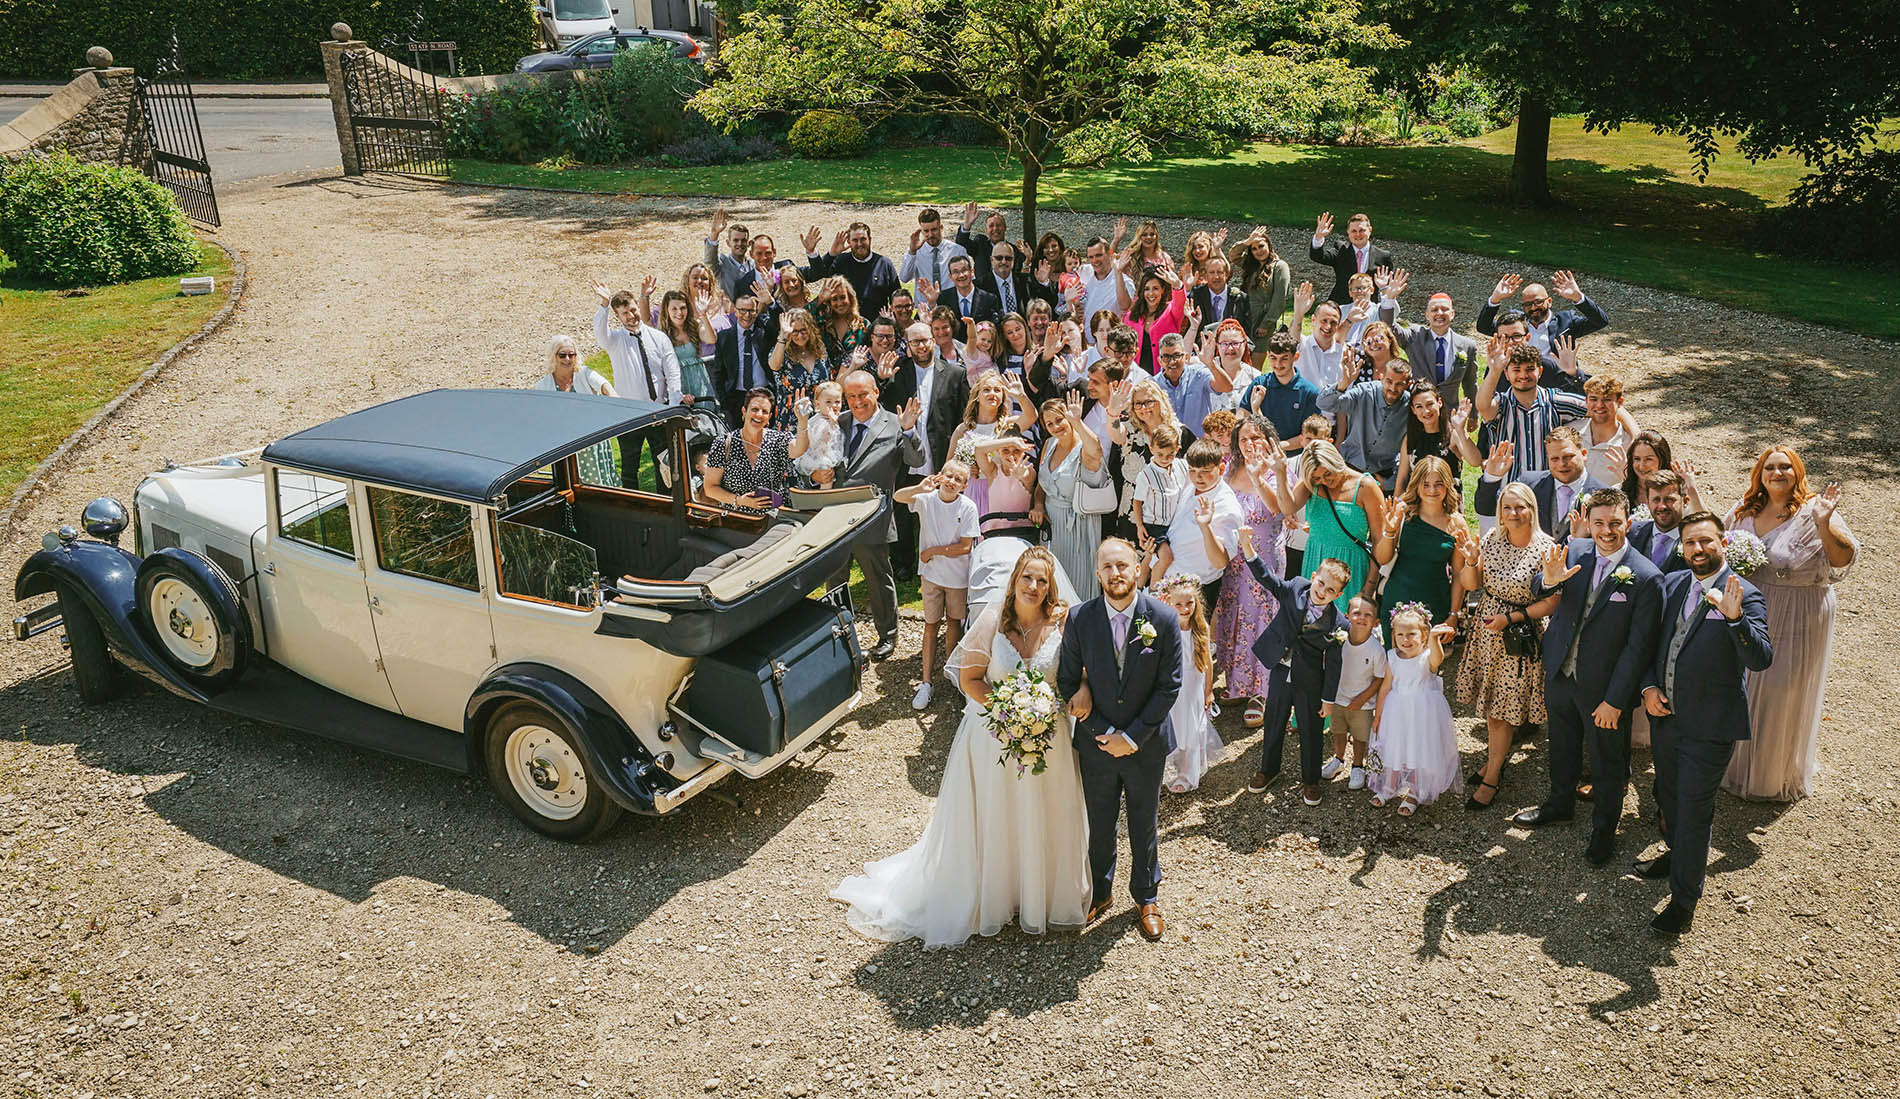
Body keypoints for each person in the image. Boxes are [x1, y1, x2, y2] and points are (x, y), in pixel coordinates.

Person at [833, 548, 1090, 948]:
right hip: (993, 736)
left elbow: (1083, 670)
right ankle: (995, 893)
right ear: (1015, 579)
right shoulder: (993, 619)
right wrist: (1009, 713)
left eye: (1042, 580)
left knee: (1044, 811)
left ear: (1050, 585)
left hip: (1048, 739)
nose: (1034, 586)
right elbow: (970, 679)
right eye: (1027, 577)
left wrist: (1075, 692)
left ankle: (1036, 892)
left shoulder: (1062, 620)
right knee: (997, 813)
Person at [1638, 511, 1774, 936]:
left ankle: (1684, 900)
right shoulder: (1674, 583)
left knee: (1694, 810)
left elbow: (1761, 659)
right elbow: (1652, 644)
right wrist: (1648, 687)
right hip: (1666, 718)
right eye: (1690, 543)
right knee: (1667, 795)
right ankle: (1676, 853)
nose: (1698, 549)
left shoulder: (1745, 594)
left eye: (1706, 541)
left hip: (1711, 726)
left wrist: (1734, 619)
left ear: (1723, 544)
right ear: (1682, 548)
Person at [1514, 488, 1665, 866]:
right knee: (1561, 745)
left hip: (1604, 689)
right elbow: (1540, 586)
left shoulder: (1647, 577)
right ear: (1589, 522)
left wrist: (1615, 700)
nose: (1606, 531)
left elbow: (1639, 648)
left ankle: (1604, 829)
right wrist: (1548, 580)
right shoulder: (1575, 549)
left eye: (1614, 523)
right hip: (1560, 673)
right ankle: (1559, 805)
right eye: (1598, 522)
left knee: (1607, 761)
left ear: (1628, 522)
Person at [1057, 538, 1183, 942]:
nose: (1116, 573)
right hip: (1097, 744)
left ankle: (1146, 896)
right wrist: (1102, 731)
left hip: (1146, 744)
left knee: (1144, 822)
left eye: (1123, 565)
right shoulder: (1080, 618)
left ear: (1138, 569)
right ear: (1098, 573)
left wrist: (1131, 737)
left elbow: (1169, 685)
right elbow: (1067, 681)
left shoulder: (1163, 618)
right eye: (1108, 567)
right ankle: (1101, 891)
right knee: (1100, 822)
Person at [1722, 446, 1858, 802]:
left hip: (1801, 611)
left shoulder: (1815, 509)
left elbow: (1843, 557)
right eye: (1770, 467)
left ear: (1798, 472)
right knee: (1746, 684)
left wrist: (1824, 524)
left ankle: (1770, 775)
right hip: (1753, 609)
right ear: (1760, 474)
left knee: (1781, 689)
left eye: (1785, 467)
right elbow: (1719, 543)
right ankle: (1735, 764)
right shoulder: (1745, 509)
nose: (1777, 473)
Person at [1455, 481, 1561, 810]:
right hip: (1487, 631)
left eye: (1520, 506)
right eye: (1507, 507)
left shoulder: (1545, 548)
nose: (1513, 513)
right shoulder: (1492, 539)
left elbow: (1552, 602)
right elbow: (1472, 585)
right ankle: (1495, 761)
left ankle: (1492, 777)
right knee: (1492, 707)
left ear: (1532, 509)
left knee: (1502, 710)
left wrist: (1510, 618)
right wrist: (1471, 561)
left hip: (1519, 637)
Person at [1236, 525, 1349, 805]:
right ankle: (1268, 769)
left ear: (1337, 595)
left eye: (1331, 590)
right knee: (1274, 720)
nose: (1322, 591)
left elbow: (1334, 664)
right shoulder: (1296, 588)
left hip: (1310, 679)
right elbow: (1267, 579)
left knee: (1311, 729)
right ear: (1314, 577)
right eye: (1321, 583)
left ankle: (1311, 779)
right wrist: (1247, 547)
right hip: (1280, 668)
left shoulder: (1339, 624)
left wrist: (1328, 700)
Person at [832, 371, 924, 662]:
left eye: (863, 394)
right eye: (851, 396)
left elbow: (917, 459)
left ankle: (887, 635)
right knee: (834, 578)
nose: (857, 402)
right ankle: (837, 636)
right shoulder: (838, 421)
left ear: (876, 392)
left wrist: (909, 431)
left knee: (878, 580)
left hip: (872, 517)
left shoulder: (895, 423)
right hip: (834, 516)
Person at [1212, 414, 1291, 730]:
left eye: (1256, 437)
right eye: (1244, 439)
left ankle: (1260, 691)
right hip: (1232, 560)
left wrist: (1259, 478)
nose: (1249, 444)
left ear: (1268, 439)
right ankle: (1237, 683)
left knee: (1259, 620)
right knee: (1233, 617)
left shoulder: (1278, 469)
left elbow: (1279, 509)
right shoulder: (1229, 468)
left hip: (1264, 559)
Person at [894, 463, 980, 710]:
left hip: (957, 578)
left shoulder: (968, 507)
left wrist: (934, 551)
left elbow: (965, 546)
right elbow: (898, 497)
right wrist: (918, 488)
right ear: (940, 476)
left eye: (958, 479)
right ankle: (926, 681)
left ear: (965, 485)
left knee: (953, 623)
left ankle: (951, 673)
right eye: (949, 476)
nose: (952, 481)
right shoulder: (927, 499)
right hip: (931, 575)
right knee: (931, 625)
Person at [1368, 604, 1460, 814]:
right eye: (1400, 634)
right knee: (1395, 747)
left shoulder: (1427, 657)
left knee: (1418, 749)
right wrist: (1378, 715)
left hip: (1422, 712)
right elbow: (1385, 687)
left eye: (1411, 634)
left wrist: (1435, 639)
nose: (1405, 640)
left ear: (1424, 634)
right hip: (1396, 711)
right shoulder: (1392, 656)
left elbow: (1437, 659)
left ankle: (1415, 791)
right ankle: (1389, 786)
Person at [1374, 455, 1471, 638]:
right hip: (1397, 602)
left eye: (1438, 484)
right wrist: (1390, 531)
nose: (1432, 490)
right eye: (1426, 484)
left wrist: (1453, 614)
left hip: (1435, 604)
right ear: (1417, 486)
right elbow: (1382, 558)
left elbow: (1459, 574)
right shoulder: (1403, 512)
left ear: (1447, 485)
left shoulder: (1457, 523)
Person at [1281, 439, 1383, 612]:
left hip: (1351, 569)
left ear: (1336, 462)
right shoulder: (1311, 483)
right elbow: (1288, 507)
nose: (1324, 481)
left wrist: (1370, 586)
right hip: (1316, 565)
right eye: (1317, 478)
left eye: (1328, 474)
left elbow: (1378, 539)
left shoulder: (1365, 486)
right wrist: (1279, 472)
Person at [1034, 393, 1111, 602]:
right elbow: (1042, 483)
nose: (1055, 426)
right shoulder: (1049, 444)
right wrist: (1038, 504)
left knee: (1077, 586)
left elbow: (1096, 449)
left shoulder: (1084, 447)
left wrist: (1077, 422)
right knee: (1053, 587)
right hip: (1051, 529)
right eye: (1049, 423)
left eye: (1059, 419)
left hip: (1078, 526)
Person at [1475, 341, 1588, 481]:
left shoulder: (1555, 401)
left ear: (1540, 372)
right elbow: (1483, 406)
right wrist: (1494, 371)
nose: (1523, 375)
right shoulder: (1501, 404)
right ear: (1507, 374)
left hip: (1547, 488)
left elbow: (1598, 407)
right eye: (1516, 370)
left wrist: (1574, 373)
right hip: (1508, 488)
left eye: (1529, 369)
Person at [1151, 438, 1244, 607]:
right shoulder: (1190, 484)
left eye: (1205, 471)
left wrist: (1205, 527)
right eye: (1192, 470)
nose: (1197, 477)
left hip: (1194, 592)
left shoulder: (1227, 506)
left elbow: (1220, 562)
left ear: (1221, 468)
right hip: (1165, 581)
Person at [1475, 427, 1606, 540]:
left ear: (1583, 454)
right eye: (1554, 459)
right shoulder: (1530, 484)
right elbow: (1491, 509)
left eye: (1568, 457)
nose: (1561, 464)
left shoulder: (1602, 494)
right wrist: (1492, 477)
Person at [1156, 575, 1223, 793]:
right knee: (1175, 725)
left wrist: (1209, 690)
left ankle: (1188, 772)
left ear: (1197, 602)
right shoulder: (1166, 627)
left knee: (1192, 727)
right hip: (1173, 684)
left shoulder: (1200, 627)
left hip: (1194, 683)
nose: (1185, 609)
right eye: (1178, 604)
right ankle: (1172, 767)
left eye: (1189, 603)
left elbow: (1208, 663)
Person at [1319, 346, 1412, 491]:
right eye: (1389, 381)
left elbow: (1408, 452)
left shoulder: (1410, 407)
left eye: (1399, 384)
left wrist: (1389, 483)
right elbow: (1323, 403)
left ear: (1408, 384)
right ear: (1381, 377)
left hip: (1383, 475)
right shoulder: (1364, 392)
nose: (1393, 388)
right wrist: (1343, 383)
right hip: (1349, 467)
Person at [1323, 595, 1387, 793]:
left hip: (1363, 703)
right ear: (1347, 616)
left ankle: (1358, 766)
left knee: (1360, 736)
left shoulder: (1376, 649)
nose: (1362, 618)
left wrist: (1362, 698)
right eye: (1357, 613)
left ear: (1376, 622)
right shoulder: (1339, 641)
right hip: (1338, 697)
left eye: (1368, 615)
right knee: (1338, 731)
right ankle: (1339, 759)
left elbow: (1379, 678)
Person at [590, 280, 681, 405]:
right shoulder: (614, 341)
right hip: (630, 409)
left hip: (661, 406)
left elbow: (673, 374)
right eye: (625, 313)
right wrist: (605, 304)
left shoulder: (659, 338)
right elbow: (600, 331)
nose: (631, 316)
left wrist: (674, 405)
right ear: (617, 316)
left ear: (638, 306)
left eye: (633, 310)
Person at [1387, 285, 1480, 407]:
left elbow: (1470, 385)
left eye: (1445, 309)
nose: (1439, 313)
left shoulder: (1467, 346)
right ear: (1427, 315)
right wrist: (1389, 300)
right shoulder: (1415, 337)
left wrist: (1473, 414)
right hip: (1419, 411)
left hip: (1450, 412)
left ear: (1452, 314)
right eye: (1434, 310)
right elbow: (1388, 326)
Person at [703, 388, 795, 510]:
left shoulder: (778, 440)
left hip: (773, 516)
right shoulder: (723, 443)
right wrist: (740, 501)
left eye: (764, 411)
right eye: (754, 409)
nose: (759, 415)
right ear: (744, 411)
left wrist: (803, 420)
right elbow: (710, 488)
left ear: (769, 417)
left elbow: (799, 449)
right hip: (737, 517)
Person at [1476, 270, 1610, 353]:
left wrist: (1578, 298)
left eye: (1538, 302)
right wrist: (1495, 299)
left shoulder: (1566, 322)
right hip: (1520, 380)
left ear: (1549, 302)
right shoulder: (1516, 323)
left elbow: (1600, 321)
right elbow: (1483, 327)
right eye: (1528, 304)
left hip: (1557, 383)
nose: (1533, 308)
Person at [1239, 329, 1321, 449]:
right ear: (1268, 355)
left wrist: (1275, 446)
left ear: (1296, 356)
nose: (1278, 364)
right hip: (1261, 453)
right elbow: (1242, 415)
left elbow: (1310, 436)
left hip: (1295, 456)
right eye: (1273, 358)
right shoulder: (1259, 384)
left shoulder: (1310, 392)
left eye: (1284, 358)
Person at [801, 221, 899, 319]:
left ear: (870, 239)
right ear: (849, 242)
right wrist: (829, 254)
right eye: (855, 240)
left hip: (878, 325)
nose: (859, 244)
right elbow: (820, 273)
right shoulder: (840, 261)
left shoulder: (884, 264)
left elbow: (896, 298)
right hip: (846, 324)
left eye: (863, 239)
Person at [1129, 423, 1186, 583]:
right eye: (1160, 454)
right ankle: (1154, 588)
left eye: (1170, 455)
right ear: (1151, 448)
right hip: (1154, 525)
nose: (1164, 459)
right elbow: (1137, 502)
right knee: (1166, 558)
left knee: (1151, 556)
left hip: (1173, 524)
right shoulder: (1146, 475)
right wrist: (1140, 526)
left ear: (1177, 449)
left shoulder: (1180, 467)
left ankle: (1140, 587)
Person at [1395, 381, 1477, 489]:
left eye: (1430, 404)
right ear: (1413, 410)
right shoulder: (1410, 438)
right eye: (1419, 407)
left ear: (1439, 402)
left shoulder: (1453, 434)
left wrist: (1461, 430)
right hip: (1419, 498)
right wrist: (1397, 498)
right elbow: (1402, 479)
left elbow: (1475, 461)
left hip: (1449, 497)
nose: (1426, 411)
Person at [765, 307, 830, 433]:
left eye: (803, 330)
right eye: (794, 331)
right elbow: (774, 366)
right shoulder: (781, 351)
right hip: (791, 419)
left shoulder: (820, 351)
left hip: (819, 418)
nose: (800, 335)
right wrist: (783, 335)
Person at [1309, 211, 1392, 305]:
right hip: (1341, 305)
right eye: (1354, 231)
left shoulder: (1383, 256)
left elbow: (1389, 285)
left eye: (1362, 230)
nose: (1358, 234)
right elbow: (1318, 256)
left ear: (1370, 230)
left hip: (1369, 307)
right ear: (1348, 232)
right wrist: (1318, 238)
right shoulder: (1341, 250)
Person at [1227, 226, 1291, 350]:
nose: (1258, 251)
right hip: (1245, 317)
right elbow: (1233, 255)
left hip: (1263, 319)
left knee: (1256, 358)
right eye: (1254, 248)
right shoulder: (1251, 265)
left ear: (1269, 246)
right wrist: (1248, 241)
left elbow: (1279, 298)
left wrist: (1266, 324)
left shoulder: (1280, 266)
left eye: (1261, 246)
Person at [655, 290, 717, 412]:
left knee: (706, 417)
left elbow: (711, 339)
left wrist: (703, 315)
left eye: (683, 308)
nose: (679, 312)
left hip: (699, 383)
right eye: (674, 309)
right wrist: (678, 394)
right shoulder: (660, 335)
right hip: (678, 387)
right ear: (666, 310)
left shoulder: (694, 326)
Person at [714, 295, 770, 425]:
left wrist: (770, 302)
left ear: (756, 312)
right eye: (742, 310)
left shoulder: (765, 333)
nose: (747, 315)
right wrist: (724, 400)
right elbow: (719, 373)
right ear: (735, 311)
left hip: (764, 393)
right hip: (737, 397)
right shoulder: (724, 337)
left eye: (751, 310)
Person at [971, 427, 1037, 537]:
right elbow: (979, 449)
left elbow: (1028, 478)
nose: (1011, 455)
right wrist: (1011, 441)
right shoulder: (993, 471)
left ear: (1023, 451)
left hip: (1023, 532)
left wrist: (1022, 475)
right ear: (998, 451)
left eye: (1016, 450)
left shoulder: (1028, 469)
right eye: (1005, 450)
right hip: (995, 532)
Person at [1071, 238, 1134, 346]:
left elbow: (1125, 307)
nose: (1095, 260)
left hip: (1111, 345)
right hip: (1085, 345)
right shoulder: (1084, 274)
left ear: (1109, 253)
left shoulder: (1124, 281)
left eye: (1099, 255)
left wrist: (1118, 272)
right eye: (1091, 257)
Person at [1124, 267, 1188, 374]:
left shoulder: (1171, 311)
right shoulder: (1130, 317)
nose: (1151, 293)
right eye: (1146, 289)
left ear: (1163, 290)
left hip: (1165, 374)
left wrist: (1177, 284)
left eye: (1155, 288)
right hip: (1136, 375)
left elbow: (1180, 303)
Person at [1628, 468, 1691, 573]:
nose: (1662, 506)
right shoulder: (1631, 533)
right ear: (1647, 502)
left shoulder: (1695, 541)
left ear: (1685, 501)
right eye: (1656, 500)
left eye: (1669, 499)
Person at [1153, 333, 1215, 436]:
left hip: (1199, 443)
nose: (1172, 362)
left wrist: (1211, 364)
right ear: (1160, 361)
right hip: (1168, 444)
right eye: (1167, 357)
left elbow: (1225, 388)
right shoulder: (1153, 385)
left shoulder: (1199, 374)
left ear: (1186, 357)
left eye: (1177, 356)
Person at [1580, 375, 1635, 486]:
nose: (1599, 405)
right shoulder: (1571, 433)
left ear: (1620, 402)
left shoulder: (1630, 444)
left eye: (1607, 400)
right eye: (1593, 399)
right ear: (1586, 401)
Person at [1289, 284, 1347, 390]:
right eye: (1324, 321)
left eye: (1333, 323)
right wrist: (1298, 314)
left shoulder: (1344, 353)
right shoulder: (1302, 344)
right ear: (1313, 320)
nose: (1328, 326)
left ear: (1338, 325)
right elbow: (1292, 339)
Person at [789, 381, 845, 487]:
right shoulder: (820, 421)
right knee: (827, 477)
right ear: (818, 404)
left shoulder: (835, 418)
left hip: (825, 455)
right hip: (818, 457)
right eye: (828, 402)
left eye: (837, 402)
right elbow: (823, 441)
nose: (833, 405)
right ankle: (825, 494)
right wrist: (833, 423)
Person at [900, 207, 970, 289]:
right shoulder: (916, 252)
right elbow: (904, 278)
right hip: (924, 297)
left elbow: (969, 280)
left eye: (934, 230)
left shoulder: (957, 250)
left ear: (941, 227)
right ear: (921, 231)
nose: (930, 235)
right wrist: (912, 252)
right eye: (926, 231)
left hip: (951, 297)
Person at [1204, 318, 1258, 412]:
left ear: (1244, 344)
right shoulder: (1204, 371)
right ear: (1217, 345)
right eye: (1224, 344)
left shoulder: (1255, 378)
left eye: (1235, 343)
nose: (1230, 348)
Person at [702, 207, 754, 300]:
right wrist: (714, 234)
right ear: (728, 243)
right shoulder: (721, 265)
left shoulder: (753, 265)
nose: (740, 244)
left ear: (748, 243)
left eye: (743, 240)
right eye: (736, 240)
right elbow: (709, 261)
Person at [954, 201, 1012, 274]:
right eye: (991, 226)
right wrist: (967, 225)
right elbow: (961, 244)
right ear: (986, 230)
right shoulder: (980, 244)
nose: (995, 229)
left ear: (1005, 228)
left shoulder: (1013, 250)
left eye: (998, 225)